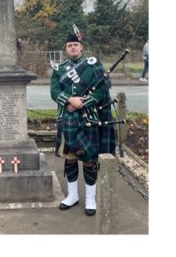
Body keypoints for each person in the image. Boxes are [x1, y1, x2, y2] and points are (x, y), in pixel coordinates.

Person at [50, 32, 116, 216]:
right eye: (69, 45)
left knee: (89, 160)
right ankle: (72, 196)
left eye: (75, 45)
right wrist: (69, 99)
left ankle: (90, 199)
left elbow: (101, 91)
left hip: (89, 119)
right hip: (67, 119)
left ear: (81, 47)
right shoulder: (58, 69)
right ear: (65, 48)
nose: (72, 48)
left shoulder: (93, 65)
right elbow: (54, 91)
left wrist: (81, 103)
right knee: (70, 158)